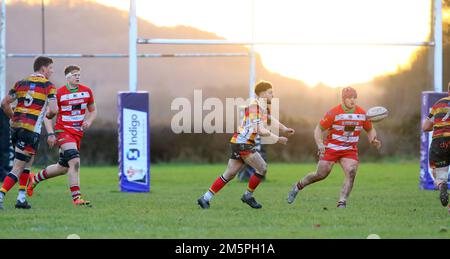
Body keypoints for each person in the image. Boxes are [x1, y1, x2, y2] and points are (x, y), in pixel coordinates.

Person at [197, 80, 295, 209]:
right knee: (262, 168)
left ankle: (205, 198)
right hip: (243, 144)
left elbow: (271, 120)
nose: (273, 95)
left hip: (238, 142)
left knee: (230, 173)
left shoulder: (262, 107)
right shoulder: (255, 107)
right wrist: (277, 138)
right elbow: (260, 130)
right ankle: (248, 195)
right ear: (262, 94)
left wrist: (284, 128)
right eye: (270, 92)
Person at [287, 87, 381, 208]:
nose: (352, 100)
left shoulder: (362, 114)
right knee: (321, 174)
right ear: (343, 99)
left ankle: (342, 202)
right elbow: (318, 129)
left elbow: (370, 129)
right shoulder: (334, 113)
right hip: (331, 148)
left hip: (349, 150)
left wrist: (373, 139)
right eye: (349, 98)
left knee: (351, 172)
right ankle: (297, 186)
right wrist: (320, 144)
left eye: (354, 97)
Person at [26, 65, 97, 206]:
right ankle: (77, 198)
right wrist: (51, 133)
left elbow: (93, 110)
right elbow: (47, 116)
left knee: (63, 167)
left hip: (77, 134)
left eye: (79, 74)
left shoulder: (87, 91)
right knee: (75, 161)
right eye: (74, 74)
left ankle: (35, 178)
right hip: (63, 131)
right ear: (67, 77)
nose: (77, 77)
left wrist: (89, 120)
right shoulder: (59, 94)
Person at [0, 56, 58, 210]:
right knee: (18, 167)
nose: (52, 71)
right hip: (30, 131)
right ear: (43, 68)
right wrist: (50, 116)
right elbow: (53, 110)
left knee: (28, 163)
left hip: (16, 129)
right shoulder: (48, 86)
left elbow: (4, 103)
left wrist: (13, 117)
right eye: (51, 68)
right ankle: (0, 196)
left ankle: (21, 198)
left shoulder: (20, 83)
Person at [422, 82, 450, 210]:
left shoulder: (438, 104)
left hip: (440, 142)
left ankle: (441, 184)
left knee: (438, 173)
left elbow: (425, 127)